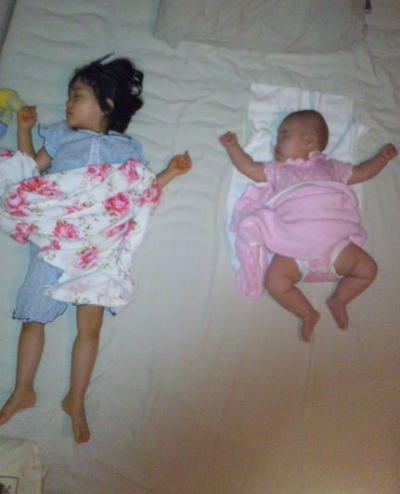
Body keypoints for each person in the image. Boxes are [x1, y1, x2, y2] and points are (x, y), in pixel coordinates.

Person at [0, 55, 191, 443]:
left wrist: (170, 173)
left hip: (99, 246)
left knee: (90, 325)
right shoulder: (60, 135)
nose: (68, 104)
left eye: (77, 96)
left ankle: (76, 398)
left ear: (106, 105)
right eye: (69, 96)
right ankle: (23, 389)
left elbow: (137, 191)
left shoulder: (127, 149)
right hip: (57, 239)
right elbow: (30, 176)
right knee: (33, 317)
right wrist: (25, 129)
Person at [220, 110, 397, 342]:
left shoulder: (333, 169)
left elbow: (363, 172)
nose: (276, 142)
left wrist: (382, 158)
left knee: (368, 270)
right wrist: (233, 147)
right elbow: (249, 167)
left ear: (309, 140)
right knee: (274, 283)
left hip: (336, 244)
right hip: (293, 246)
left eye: (284, 135)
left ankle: (340, 299)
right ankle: (306, 313)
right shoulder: (278, 170)